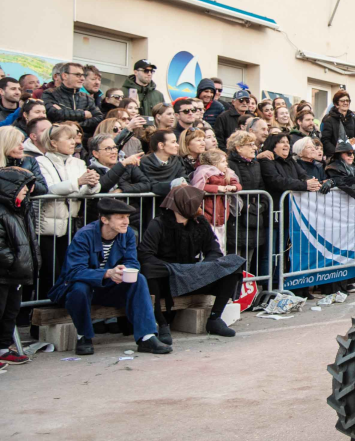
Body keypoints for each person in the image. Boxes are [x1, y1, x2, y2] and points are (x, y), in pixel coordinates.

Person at [50, 198, 171, 355]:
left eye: (127, 217)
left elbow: (132, 262)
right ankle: (84, 336)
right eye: (121, 217)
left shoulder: (127, 234)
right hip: (81, 290)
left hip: (108, 288)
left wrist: (124, 271)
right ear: (104, 219)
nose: (126, 221)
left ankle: (146, 337)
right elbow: (74, 271)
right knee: (80, 288)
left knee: (138, 279)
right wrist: (107, 273)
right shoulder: (84, 236)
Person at [138, 184, 245, 342]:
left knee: (233, 264)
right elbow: (145, 255)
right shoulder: (159, 224)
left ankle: (214, 319)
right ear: (183, 204)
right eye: (197, 203)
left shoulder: (200, 223)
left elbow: (214, 250)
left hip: (193, 275)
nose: (200, 207)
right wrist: (172, 269)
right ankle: (161, 324)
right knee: (148, 271)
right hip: (168, 277)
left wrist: (203, 267)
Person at [36, 123, 101, 298]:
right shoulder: (40, 161)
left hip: (72, 224)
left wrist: (92, 185)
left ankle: (64, 305)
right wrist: (79, 182)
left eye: (74, 138)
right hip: (48, 227)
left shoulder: (78, 162)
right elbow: (50, 189)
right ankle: (43, 309)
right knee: (50, 271)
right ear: (54, 142)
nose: (74, 142)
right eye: (69, 138)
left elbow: (83, 191)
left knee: (69, 268)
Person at [0, 166, 37, 366]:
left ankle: (3, 349)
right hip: (5, 271)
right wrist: (13, 262)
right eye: (23, 186)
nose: (27, 190)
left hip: (16, 272)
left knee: (10, 312)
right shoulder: (3, 210)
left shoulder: (21, 208)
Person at [225, 131, 270, 279]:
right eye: (249, 145)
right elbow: (235, 190)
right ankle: (233, 293)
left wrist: (261, 206)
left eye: (254, 144)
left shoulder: (256, 164)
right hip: (237, 218)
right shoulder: (230, 164)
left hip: (254, 218)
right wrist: (246, 207)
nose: (254, 148)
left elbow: (262, 189)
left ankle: (246, 294)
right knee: (235, 259)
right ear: (238, 148)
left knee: (249, 261)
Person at [190, 149, 241, 248]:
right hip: (207, 213)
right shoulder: (203, 172)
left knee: (221, 244)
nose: (226, 164)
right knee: (208, 243)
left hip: (221, 214)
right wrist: (217, 188)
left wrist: (233, 187)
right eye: (223, 161)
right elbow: (199, 186)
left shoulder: (226, 173)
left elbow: (237, 184)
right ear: (214, 163)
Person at [42, 62, 103, 138]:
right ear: (65, 76)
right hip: (58, 139)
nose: (82, 78)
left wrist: (74, 126)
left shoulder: (87, 98)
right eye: (78, 75)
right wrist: (83, 114)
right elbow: (53, 114)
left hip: (81, 142)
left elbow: (98, 119)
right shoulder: (50, 94)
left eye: (83, 75)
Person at [260, 133, 320, 209]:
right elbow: (277, 181)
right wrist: (305, 185)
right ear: (273, 145)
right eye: (282, 142)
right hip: (276, 208)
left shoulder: (291, 161)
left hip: (292, 207)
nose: (286, 145)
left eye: (287, 142)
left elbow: (303, 175)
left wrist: (313, 183)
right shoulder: (266, 161)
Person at [139, 130, 188, 197]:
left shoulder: (177, 161)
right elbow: (150, 184)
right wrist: (173, 184)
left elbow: (185, 179)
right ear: (161, 145)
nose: (177, 145)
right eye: (173, 142)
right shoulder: (145, 162)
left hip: (174, 203)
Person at [321, 90, 355, 155]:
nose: (345, 103)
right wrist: (337, 153)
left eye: (347, 100)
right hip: (334, 157)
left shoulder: (354, 119)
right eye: (342, 101)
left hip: (351, 156)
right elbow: (325, 141)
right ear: (336, 104)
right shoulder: (328, 119)